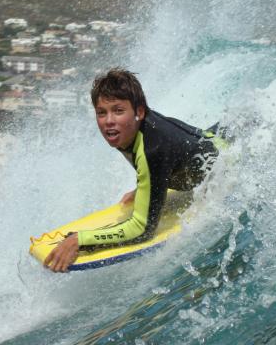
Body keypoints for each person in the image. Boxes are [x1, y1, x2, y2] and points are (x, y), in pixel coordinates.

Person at [44, 68, 228, 272]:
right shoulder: (132, 129)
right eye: (101, 112)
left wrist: (80, 240)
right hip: (211, 139)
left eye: (118, 110)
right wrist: (149, 185)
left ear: (139, 112)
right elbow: (166, 158)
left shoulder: (153, 149)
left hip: (227, 162)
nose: (109, 121)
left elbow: (142, 229)